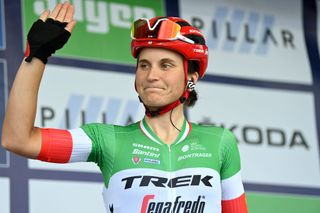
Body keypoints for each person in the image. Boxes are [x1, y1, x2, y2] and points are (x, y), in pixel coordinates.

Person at [1, 2, 248, 213]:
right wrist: (37, 56)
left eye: (166, 65)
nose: (152, 75)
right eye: (144, 65)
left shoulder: (220, 142)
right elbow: (18, 139)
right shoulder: (107, 140)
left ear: (191, 77)